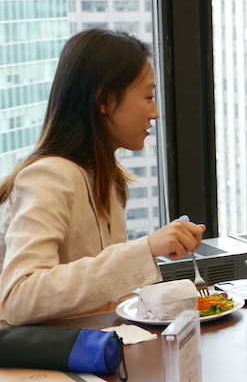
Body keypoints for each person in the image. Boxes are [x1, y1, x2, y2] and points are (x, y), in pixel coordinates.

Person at [0, 29, 206, 326]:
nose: (156, 112)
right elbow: (20, 296)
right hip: (37, 363)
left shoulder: (106, 178)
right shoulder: (47, 177)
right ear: (104, 100)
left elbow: (99, 296)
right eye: (148, 97)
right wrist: (145, 249)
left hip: (88, 349)